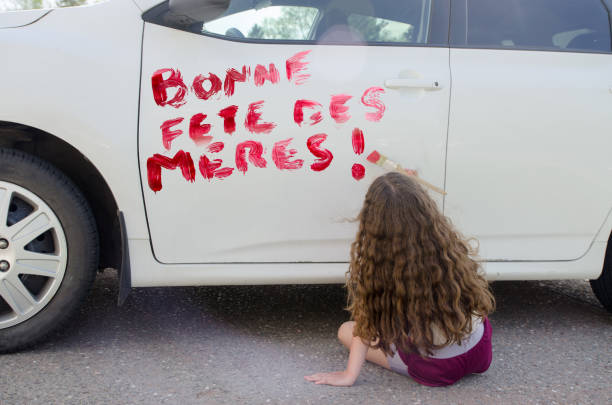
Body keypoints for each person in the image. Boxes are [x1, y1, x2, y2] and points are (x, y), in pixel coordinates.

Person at [305, 172, 495, 387]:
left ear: (373, 222)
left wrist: (349, 375)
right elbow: (406, 206)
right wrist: (405, 185)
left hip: (440, 368)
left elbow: (365, 326)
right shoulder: (445, 244)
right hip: (480, 350)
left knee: (346, 330)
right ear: (425, 209)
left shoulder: (379, 267)